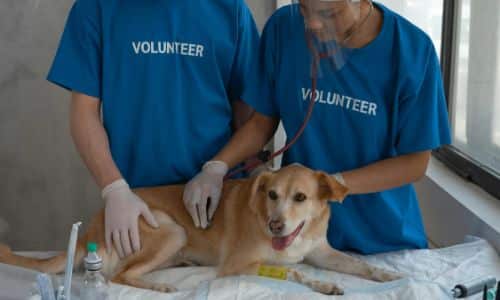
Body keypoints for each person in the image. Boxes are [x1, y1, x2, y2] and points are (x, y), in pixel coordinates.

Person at [184, 0, 452, 254]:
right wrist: (217, 166)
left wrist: (334, 184)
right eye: (303, 7)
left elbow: (415, 163)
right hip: (300, 235)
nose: (312, 23)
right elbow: (260, 123)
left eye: (329, 13)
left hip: (382, 236)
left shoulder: (413, 52)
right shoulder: (284, 29)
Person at [47, 0, 260, 258]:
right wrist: (114, 188)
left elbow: (249, 117)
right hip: (141, 209)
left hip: (216, 204)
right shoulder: (96, 8)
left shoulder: (231, 10)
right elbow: (84, 113)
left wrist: (222, 167)